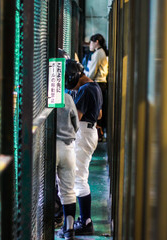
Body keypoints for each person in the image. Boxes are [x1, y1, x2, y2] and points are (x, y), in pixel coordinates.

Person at [64, 59, 103, 236]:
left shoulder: (86, 89)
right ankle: (83, 220)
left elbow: (77, 117)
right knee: (79, 177)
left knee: (79, 178)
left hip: (84, 133)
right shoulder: (94, 86)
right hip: (89, 131)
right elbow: (100, 114)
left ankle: (86, 222)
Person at [55, 50, 79, 240]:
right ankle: (69, 229)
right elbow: (76, 125)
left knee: (49, 186)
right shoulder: (68, 98)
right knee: (68, 189)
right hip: (68, 147)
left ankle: (52, 219)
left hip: (50, 147)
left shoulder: (42, 97)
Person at [84, 33, 108, 141]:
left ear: (96, 42)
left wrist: (84, 78)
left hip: (98, 82)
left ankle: (99, 133)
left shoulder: (98, 53)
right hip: (102, 83)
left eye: (91, 42)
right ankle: (100, 132)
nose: (90, 45)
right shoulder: (101, 52)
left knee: (97, 108)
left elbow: (92, 72)